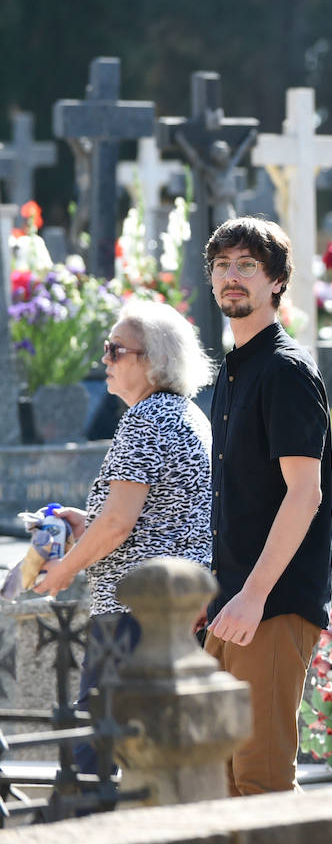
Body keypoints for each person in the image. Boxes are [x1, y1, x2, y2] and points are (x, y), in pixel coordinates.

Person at [34, 300, 215, 775]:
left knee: (92, 755)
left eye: (116, 350)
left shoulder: (145, 420)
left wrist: (63, 570)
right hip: (173, 608)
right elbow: (146, 515)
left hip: (132, 610)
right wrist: (85, 522)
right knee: (160, 759)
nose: (105, 361)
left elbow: (118, 524)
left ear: (152, 359)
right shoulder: (188, 414)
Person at [200, 216, 332, 796]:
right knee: (225, 783)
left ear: (277, 281)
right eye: (223, 265)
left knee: (263, 785)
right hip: (232, 603)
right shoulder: (233, 369)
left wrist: (252, 598)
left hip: (271, 606)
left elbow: (305, 494)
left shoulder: (284, 369)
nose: (233, 277)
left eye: (248, 266)